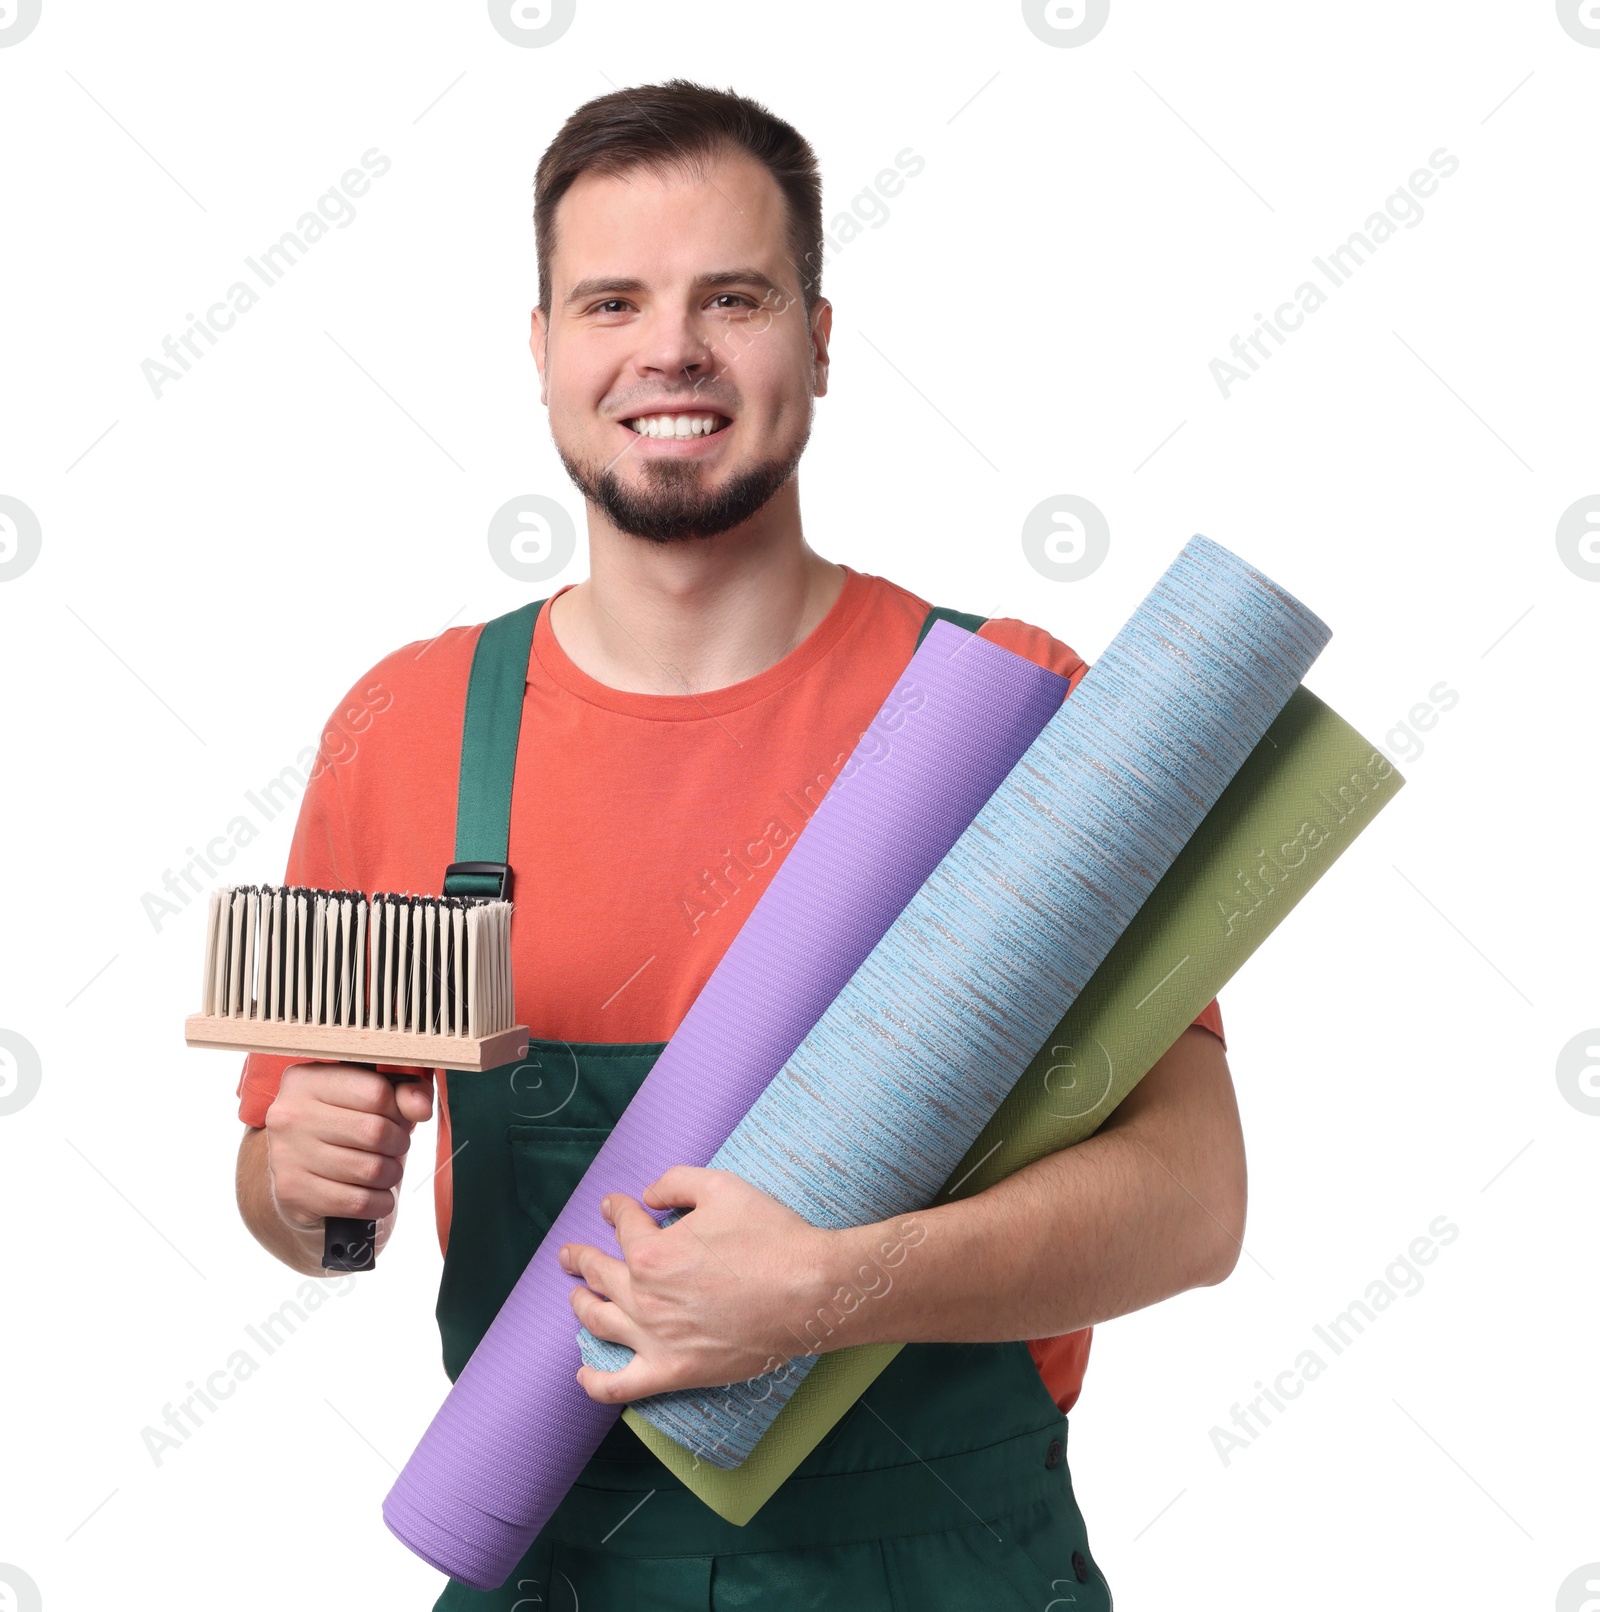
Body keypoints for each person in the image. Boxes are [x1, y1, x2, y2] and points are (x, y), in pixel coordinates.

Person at [234, 78, 1246, 1611]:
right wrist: (296, 1177)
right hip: (544, 1553)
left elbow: (1195, 1200)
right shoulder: (412, 726)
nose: (671, 351)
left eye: (734, 297)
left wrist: (834, 1289)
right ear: (544, 351)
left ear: (821, 340)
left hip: (946, 1576)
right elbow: (300, 1205)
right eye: (612, 302)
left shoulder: (1013, 717)